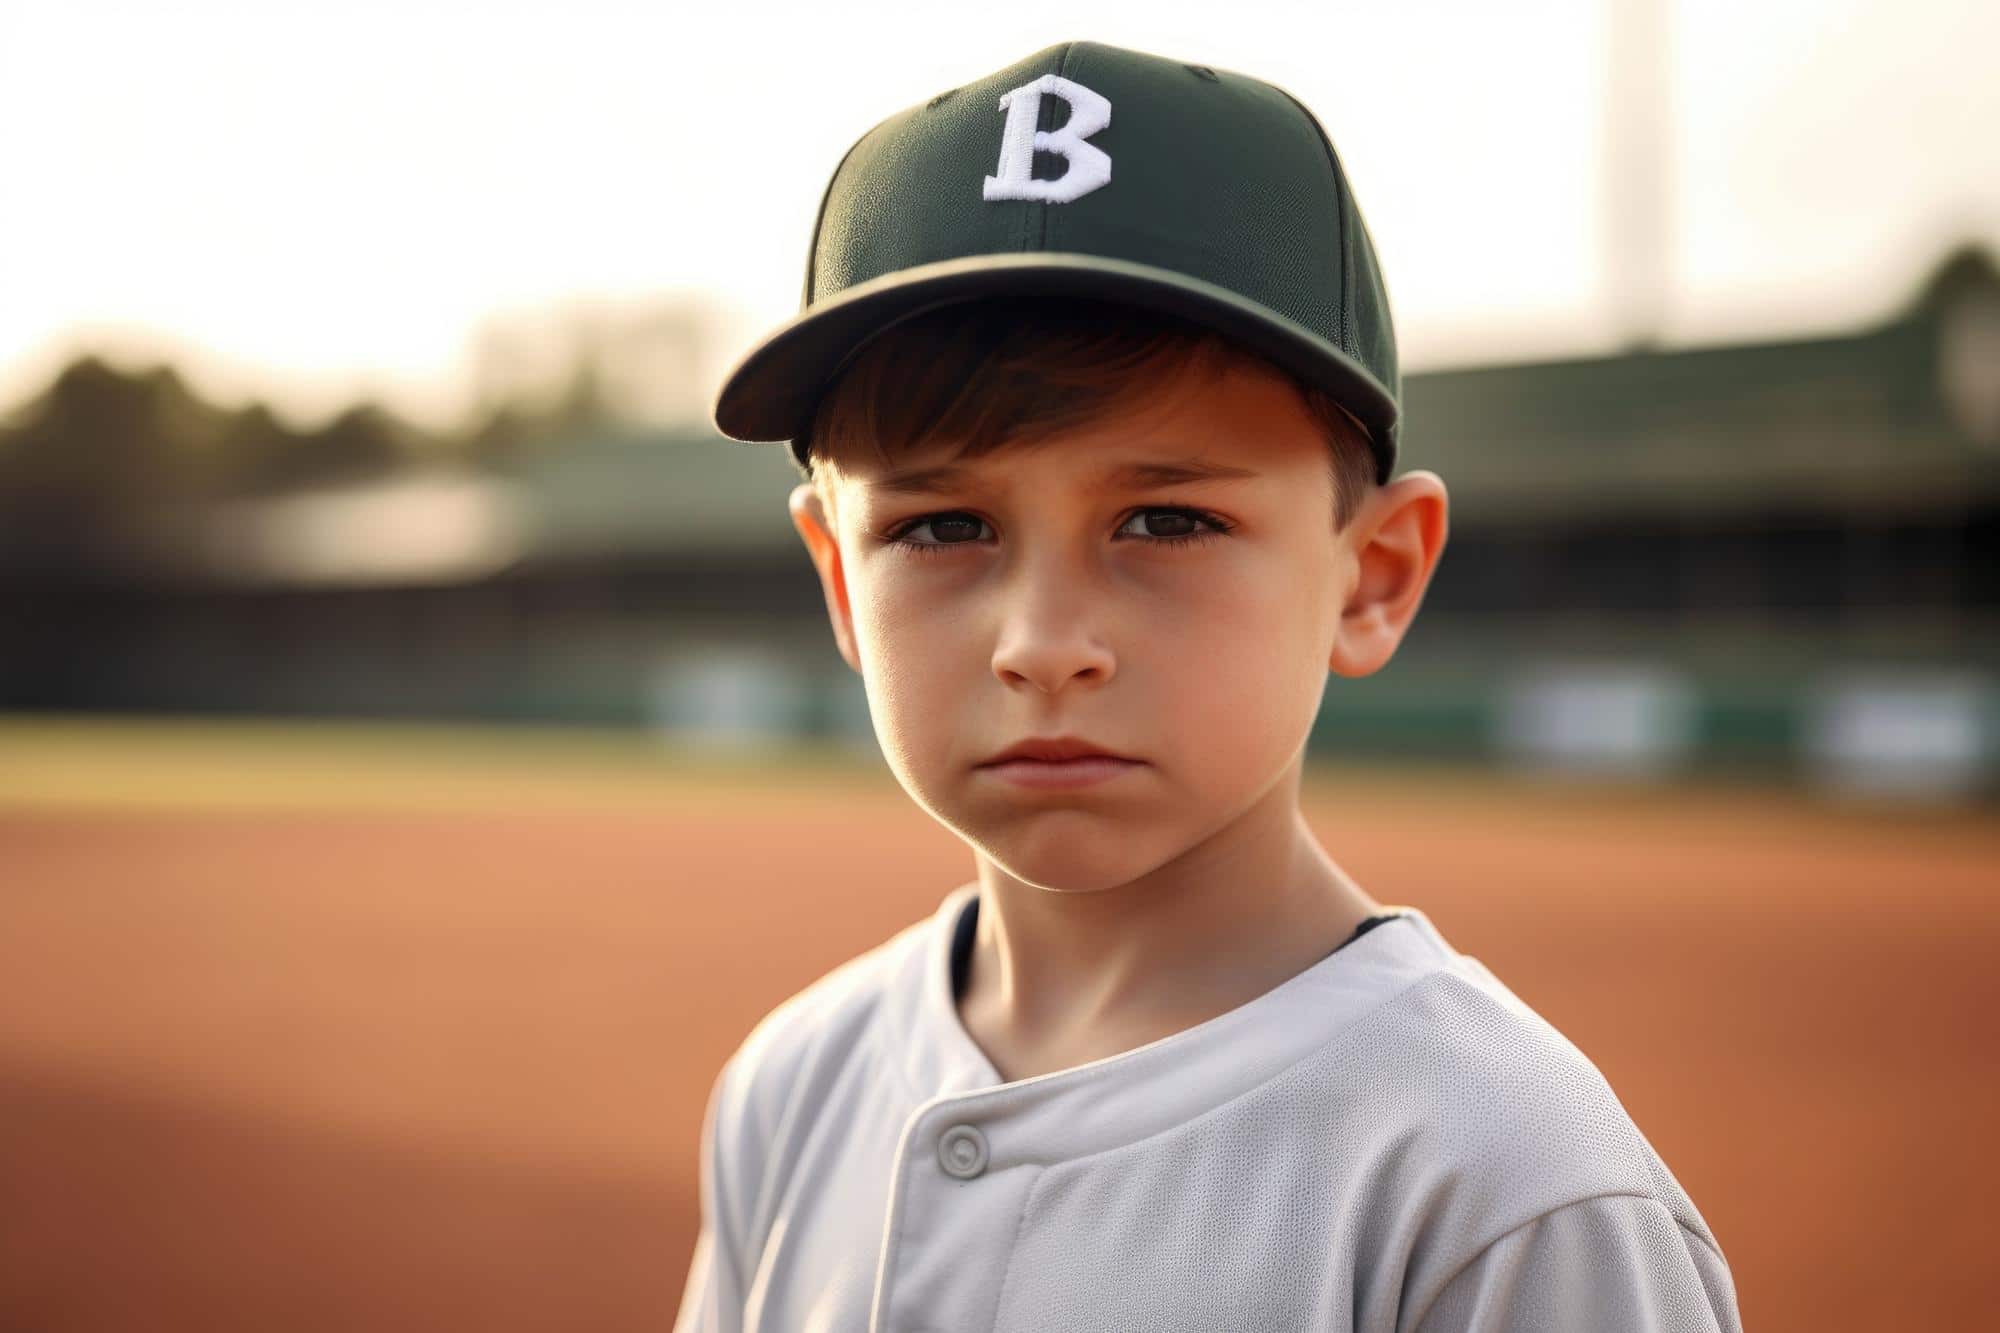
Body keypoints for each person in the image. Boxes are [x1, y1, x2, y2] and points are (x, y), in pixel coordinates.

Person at [674, 39, 1742, 1332]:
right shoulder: (789, 1089)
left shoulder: (1504, 1193)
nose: (1044, 641)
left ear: (1373, 577)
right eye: (942, 528)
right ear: (842, 583)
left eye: (1167, 520)